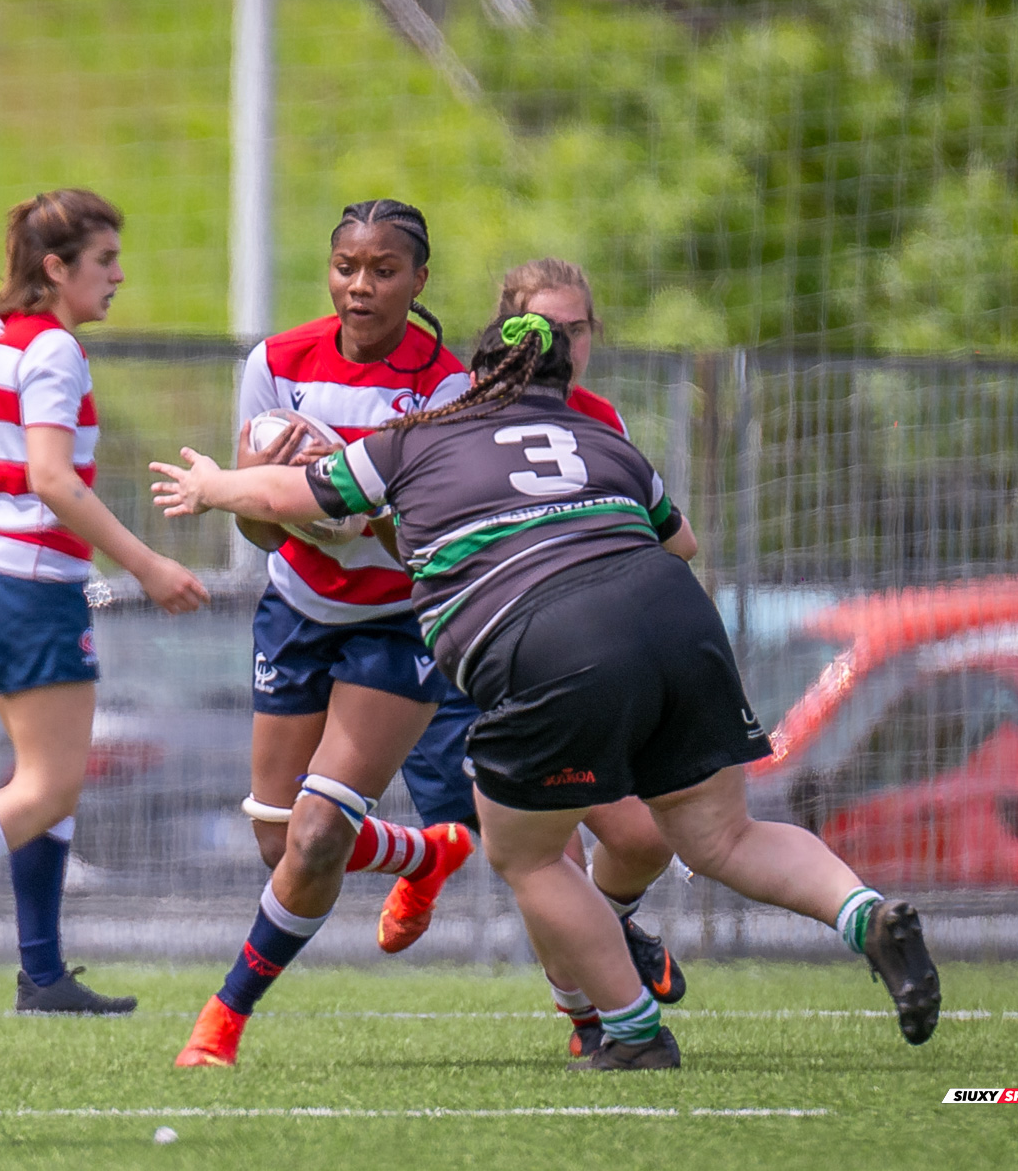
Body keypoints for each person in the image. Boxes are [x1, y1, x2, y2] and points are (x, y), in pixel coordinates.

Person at [151, 311, 941, 1070]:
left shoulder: (417, 438)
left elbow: (289, 499)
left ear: (474, 375)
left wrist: (218, 482)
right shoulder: (606, 442)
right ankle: (864, 912)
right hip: (678, 621)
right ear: (562, 382)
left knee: (527, 854)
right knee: (724, 837)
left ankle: (631, 1031)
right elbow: (684, 542)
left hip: (550, 637)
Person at [0, 188, 208, 1017]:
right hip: (26, 586)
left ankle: (43, 974)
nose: (119, 275)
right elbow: (53, 480)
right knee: (49, 788)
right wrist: (147, 566)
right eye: (104, 261)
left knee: (45, 781)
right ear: (55, 269)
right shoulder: (52, 351)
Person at [164, 200, 476, 1069]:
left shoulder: (446, 388)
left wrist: (339, 505)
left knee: (315, 835)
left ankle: (221, 1021)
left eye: (383, 270)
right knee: (280, 839)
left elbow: (422, 535)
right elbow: (258, 532)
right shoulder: (276, 363)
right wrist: (274, 498)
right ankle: (425, 851)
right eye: (346, 266)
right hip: (296, 607)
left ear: (419, 281)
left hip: (397, 618)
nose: (361, 285)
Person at [388, 257, 689, 1060]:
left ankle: (612, 935)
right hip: (494, 655)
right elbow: (393, 499)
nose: (567, 342)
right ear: (509, 328)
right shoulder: (457, 406)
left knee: (641, 839)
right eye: (550, 326)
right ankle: (598, 1023)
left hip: (582, 655)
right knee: (541, 852)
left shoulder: (601, 419)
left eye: (579, 327)